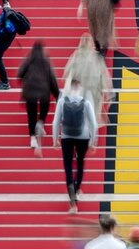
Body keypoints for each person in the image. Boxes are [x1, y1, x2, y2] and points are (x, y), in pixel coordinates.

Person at [52, 79, 98, 214]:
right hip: (83, 137)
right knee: (80, 163)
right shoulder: (86, 103)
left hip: (66, 136)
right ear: (80, 88)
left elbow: (56, 122)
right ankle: (77, 189)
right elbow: (93, 124)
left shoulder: (62, 101)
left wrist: (55, 139)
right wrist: (93, 141)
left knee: (68, 167)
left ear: (69, 88)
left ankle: (73, 203)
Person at [17, 41, 60, 158]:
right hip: (43, 92)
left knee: (31, 115)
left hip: (29, 91)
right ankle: (41, 121)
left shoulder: (28, 60)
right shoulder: (46, 62)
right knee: (44, 107)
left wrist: (25, 80)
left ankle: (32, 138)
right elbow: (52, 80)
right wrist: (57, 96)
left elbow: (19, 74)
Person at [64, 35, 113, 127]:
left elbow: (67, 71)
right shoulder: (97, 58)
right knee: (92, 117)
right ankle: (90, 136)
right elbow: (105, 75)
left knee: (81, 116)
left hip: (79, 91)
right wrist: (109, 92)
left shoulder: (76, 55)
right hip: (94, 92)